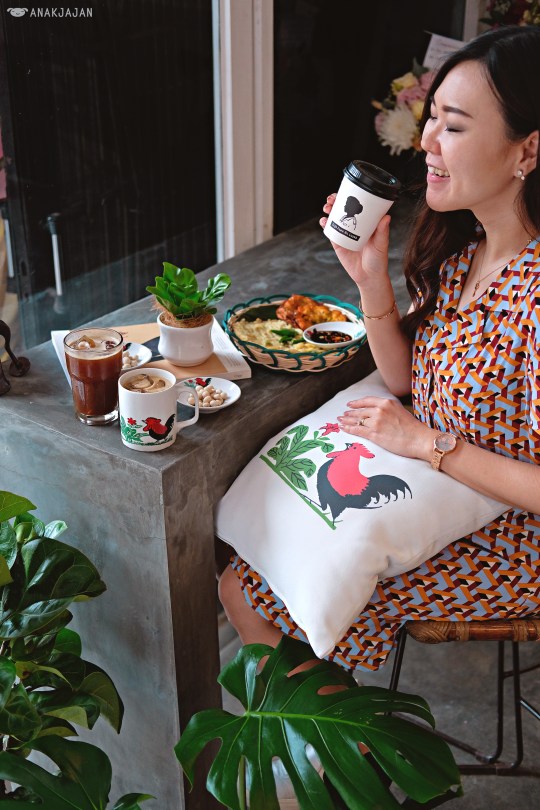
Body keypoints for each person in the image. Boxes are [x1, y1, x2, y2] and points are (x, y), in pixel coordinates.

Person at [219, 25, 540, 676]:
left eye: (453, 125)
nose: (426, 142)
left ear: (527, 150)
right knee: (249, 567)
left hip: (513, 540)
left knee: (250, 588)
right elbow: (406, 383)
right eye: (430, 119)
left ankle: (344, 738)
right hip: (440, 495)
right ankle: (328, 731)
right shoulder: (466, 255)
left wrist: (426, 444)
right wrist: (368, 278)